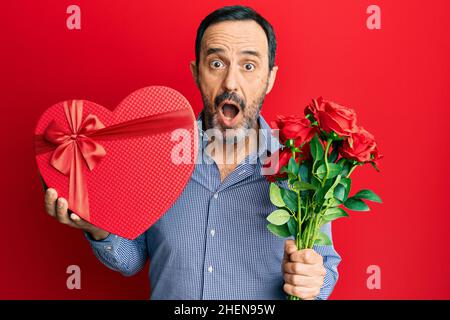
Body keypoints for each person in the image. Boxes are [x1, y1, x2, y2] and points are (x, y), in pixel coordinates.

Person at [43, 5, 341, 300]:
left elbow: (325, 269)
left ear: (270, 78)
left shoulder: (302, 172)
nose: (230, 83)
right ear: (196, 72)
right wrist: (97, 226)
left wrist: (313, 280)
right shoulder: (155, 156)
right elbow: (132, 259)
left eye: (248, 66)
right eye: (216, 64)